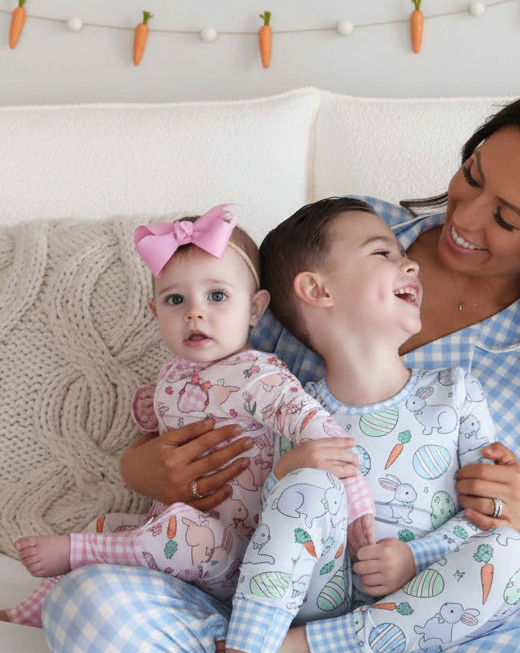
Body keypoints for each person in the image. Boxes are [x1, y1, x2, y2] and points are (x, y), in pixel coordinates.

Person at [40, 83, 520, 653]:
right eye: (473, 174)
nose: (465, 216)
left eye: (506, 219)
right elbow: (211, 360)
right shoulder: (349, 234)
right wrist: (140, 465)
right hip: (273, 593)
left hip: (434, 626)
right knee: (88, 612)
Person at [211, 198, 520, 653]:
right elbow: (273, 535)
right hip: (317, 604)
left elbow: (484, 519)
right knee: (308, 483)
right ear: (317, 290)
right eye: (384, 253)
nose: (411, 264)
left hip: (412, 633)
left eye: (402, 253)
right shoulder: (295, 410)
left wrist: (415, 557)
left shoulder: (456, 392)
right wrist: (289, 472)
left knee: (510, 553)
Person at [4, 204, 374, 626]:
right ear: (155, 312)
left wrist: (359, 508)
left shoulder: (259, 376)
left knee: (180, 531)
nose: (194, 312)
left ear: (254, 309)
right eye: (175, 300)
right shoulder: (173, 371)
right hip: (168, 535)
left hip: (240, 554)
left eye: (217, 296)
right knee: (106, 522)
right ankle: (34, 609)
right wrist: (148, 411)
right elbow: (168, 417)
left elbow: (321, 432)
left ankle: (79, 552)